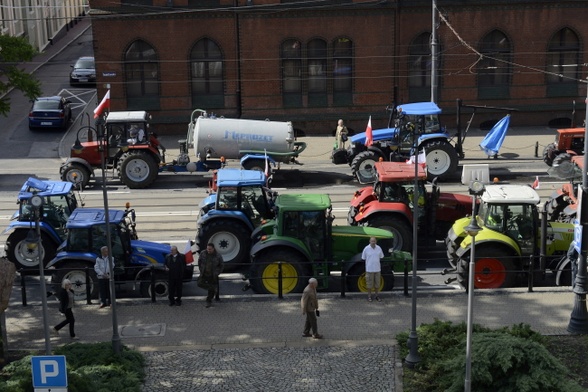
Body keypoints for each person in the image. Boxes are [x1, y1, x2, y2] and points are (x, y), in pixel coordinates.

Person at [198, 243, 224, 308]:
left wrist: (217, 273)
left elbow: (221, 265)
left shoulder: (218, 255)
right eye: (207, 249)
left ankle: (209, 301)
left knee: (211, 290)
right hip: (204, 273)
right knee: (199, 283)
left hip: (212, 275)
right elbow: (199, 261)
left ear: (213, 249)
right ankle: (213, 289)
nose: (208, 250)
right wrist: (201, 269)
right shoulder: (203, 253)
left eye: (210, 249)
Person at [362, 237, 384, 302]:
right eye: (372, 241)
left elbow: (381, 256)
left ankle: (377, 296)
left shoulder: (379, 248)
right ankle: (369, 296)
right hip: (369, 269)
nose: (373, 242)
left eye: (374, 241)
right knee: (369, 284)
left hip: (377, 269)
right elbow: (363, 258)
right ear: (369, 241)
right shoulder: (366, 249)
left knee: (377, 284)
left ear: (376, 241)